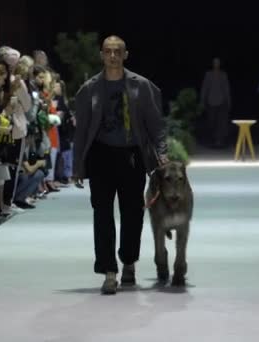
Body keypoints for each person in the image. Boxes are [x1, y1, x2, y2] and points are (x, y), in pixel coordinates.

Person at [73, 35, 168, 295]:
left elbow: (156, 126)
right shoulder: (90, 89)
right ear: (101, 55)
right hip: (100, 156)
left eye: (118, 51)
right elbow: (81, 131)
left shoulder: (142, 86)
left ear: (126, 55)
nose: (113, 56)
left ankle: (128, 260)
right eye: (108, 51)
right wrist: (77, 165)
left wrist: (162, 155)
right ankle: (109, 271)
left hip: (132, 155)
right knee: (102, 213)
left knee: (132, 213)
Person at [200, 57, 231, 148]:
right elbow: (205, 88)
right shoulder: (208, 74)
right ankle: (213, 139)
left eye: (218, 63)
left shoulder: (223, 74)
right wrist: (202, 100)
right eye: (215, 63)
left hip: (222, 101)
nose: (216, 64)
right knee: (212, 121)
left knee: (221, 122)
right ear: (213, 64)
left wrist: (228, 100)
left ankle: (219, 140)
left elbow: (226, 88)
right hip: (211, 101)